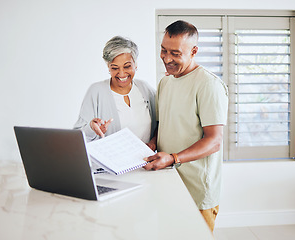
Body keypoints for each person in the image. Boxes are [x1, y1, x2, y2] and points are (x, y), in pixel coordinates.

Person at [144, 20, 228, 232]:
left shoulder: (209, 85)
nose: (167, 59)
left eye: (175, 53)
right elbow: (163, 123)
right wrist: (152, 143)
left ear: (194, 51)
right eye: (163, 51)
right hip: (167, 183)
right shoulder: (165, 82)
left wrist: (173, 158)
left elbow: (214, 141)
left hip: (196, 192)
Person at [74, 36, 157, 145]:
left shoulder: (145, 88)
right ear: (108, 67)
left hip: (144, 161)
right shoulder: (96, 91)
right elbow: (78, 135)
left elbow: (159, 125)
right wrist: (91, 128)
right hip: (111, 161)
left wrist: (153, 143)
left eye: (127, 66)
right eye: (114, 68)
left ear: (135, 65)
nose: (122, 74)